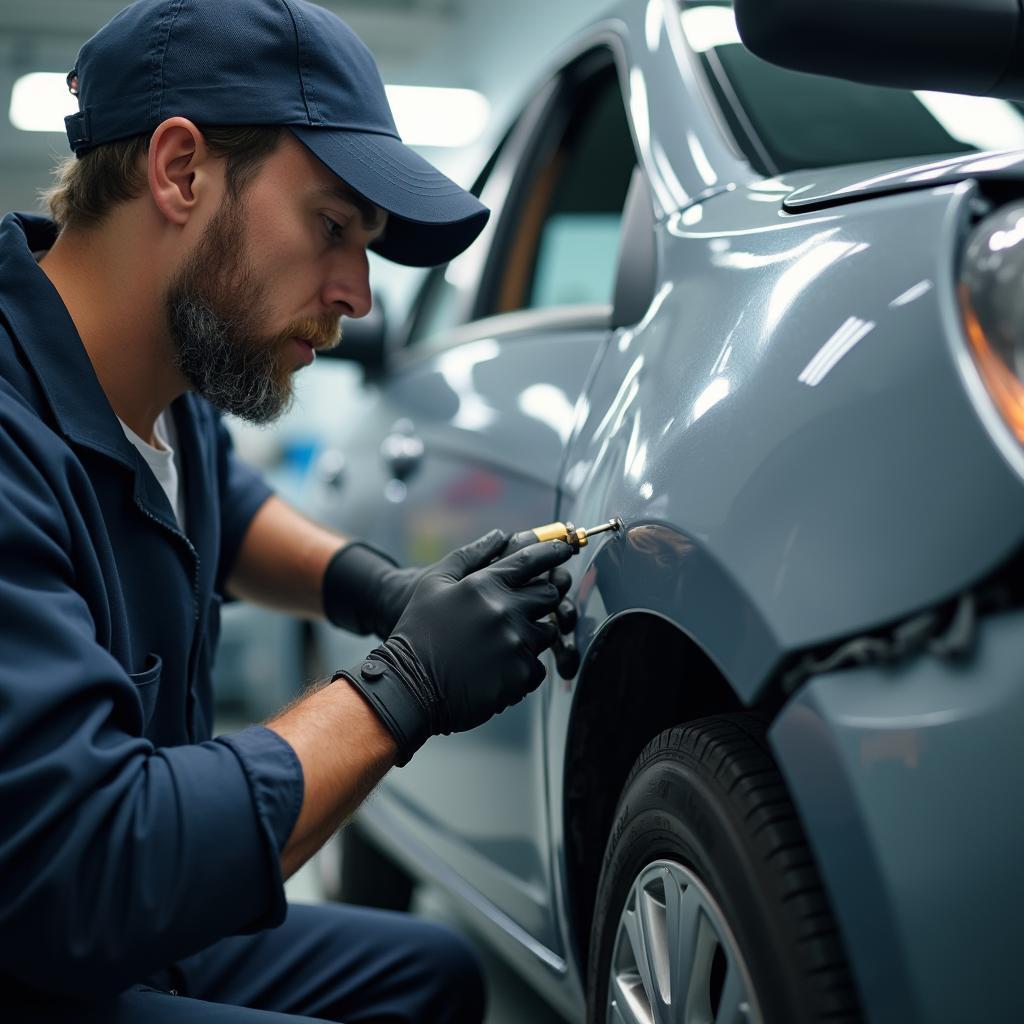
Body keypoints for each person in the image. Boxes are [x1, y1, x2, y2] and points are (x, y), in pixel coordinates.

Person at [0, 1, 574, 1021]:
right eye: (332, 227)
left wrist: (376, 589)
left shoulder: (158, 384)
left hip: (102, 919)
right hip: (50, 922)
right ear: (180, 171)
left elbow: (223, 498)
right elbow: (89, 863)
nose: (357, 293)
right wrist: (401, 687)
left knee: (429, 974)